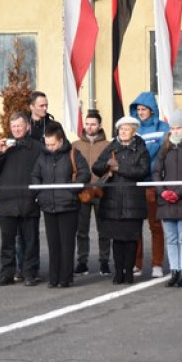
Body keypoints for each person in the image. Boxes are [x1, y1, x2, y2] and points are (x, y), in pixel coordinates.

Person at [93, 116, 151, 285]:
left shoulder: (140, 148)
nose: (123, 132)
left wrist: (119, 168)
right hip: (113, 200)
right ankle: (118, 272)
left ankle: (129, 272)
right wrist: (106, 165)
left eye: (126, 129)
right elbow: (96, 168)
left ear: (134, 131)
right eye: (121, 129)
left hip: (133, 201)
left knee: (132, 238)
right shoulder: (112, 147)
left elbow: (142, 170)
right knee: (117, 239)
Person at [32, 121, 89, 288]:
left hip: (68, 206)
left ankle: (65, 278)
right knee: (53, 243)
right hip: (48, 205)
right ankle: (53, 277)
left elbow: (84, 173)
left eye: (53, 144)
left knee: (67, 243)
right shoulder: (42, 157)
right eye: (47, 144)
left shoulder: (74, 154)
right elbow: (35, 175)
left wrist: (71, 190)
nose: (49, 147)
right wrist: (40, 194)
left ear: (61, 140)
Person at [0, 112, 42, 286]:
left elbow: (42, 172)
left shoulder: (37, 148)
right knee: (7, 243)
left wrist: (37, 195)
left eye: (19, 126)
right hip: (7, 201)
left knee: (31, 241)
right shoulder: (2, 146)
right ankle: (6, 274)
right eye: (13, 127)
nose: (16, 129)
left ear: (27, 126)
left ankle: (29, 273)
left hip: (29, 201)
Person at [130, 92, 170, 278]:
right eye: (138, 109)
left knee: (155, 226)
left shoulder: (163, 128)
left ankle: (157, 264)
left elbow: (164, 154)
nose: (140, 112)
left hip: (154, 184)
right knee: (135, 226)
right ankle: (136, 264)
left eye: (143, 109)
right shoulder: (132, 128)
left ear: (152, 110)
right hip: (136, 184)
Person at [153, 110, 182, 287]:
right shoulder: (165, 148)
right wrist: (162, 191)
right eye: (172, 128)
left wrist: (178, 192)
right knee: (170, 237)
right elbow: (156, 172)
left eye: (178, 128)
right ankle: (174, 270)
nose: (175, 131)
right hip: (166, 200)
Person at [73, 109, 111, 276]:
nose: (90, 127)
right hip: (81, 192)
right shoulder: (75, 145)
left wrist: (101, 185)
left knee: (104, 230)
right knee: (81, 230)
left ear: (99, 125)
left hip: (101, 192)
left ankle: (104, 262)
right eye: (87, 124)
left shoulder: (108, 145)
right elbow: (72, 168)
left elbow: (110, 169)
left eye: (93, 124)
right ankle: (82, 262)